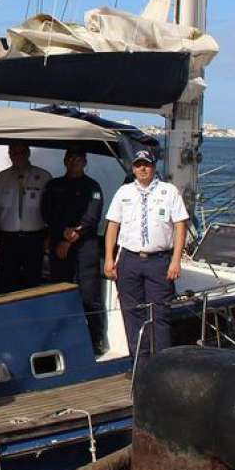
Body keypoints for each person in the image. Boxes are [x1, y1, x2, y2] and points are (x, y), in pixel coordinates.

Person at [103, 149, 188, 362]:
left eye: (147, 164)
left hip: (158, 261)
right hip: (129, 260)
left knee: (160, 315)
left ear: (154, 167)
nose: (142, 168)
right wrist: (109, 258)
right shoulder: (124, 193)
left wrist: (176, 260)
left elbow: (180, 225)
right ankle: (139, 364)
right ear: (133, 168)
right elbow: (113, 225)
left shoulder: (169, 191)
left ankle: (162, 365)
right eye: (139, 164)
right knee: (132, 314)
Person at [41, 146, 106, 354]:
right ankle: (62, 338)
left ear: (85, 162)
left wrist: (71, 238)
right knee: (60, 292)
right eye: (71, 158)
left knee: (90, 296)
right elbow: (46, 213)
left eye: (79, 159)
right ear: (65, 161)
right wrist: (62, 232)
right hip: (59, 243)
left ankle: (97, 339)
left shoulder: (93, 187)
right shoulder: (54, 186)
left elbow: (93, 216)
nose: (74, 162)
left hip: (85, 245)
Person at [0, 143, 51, 292]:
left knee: (33, 280)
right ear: (9, 155)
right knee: (7, 280)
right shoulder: (1, 177)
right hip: (7, 238)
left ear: (28, 153)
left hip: (34, 238)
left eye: (21, 152)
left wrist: (49, 237)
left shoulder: (44, 176)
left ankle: (32, 313)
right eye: (14, 153)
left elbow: (52, 210)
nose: (17, 156)